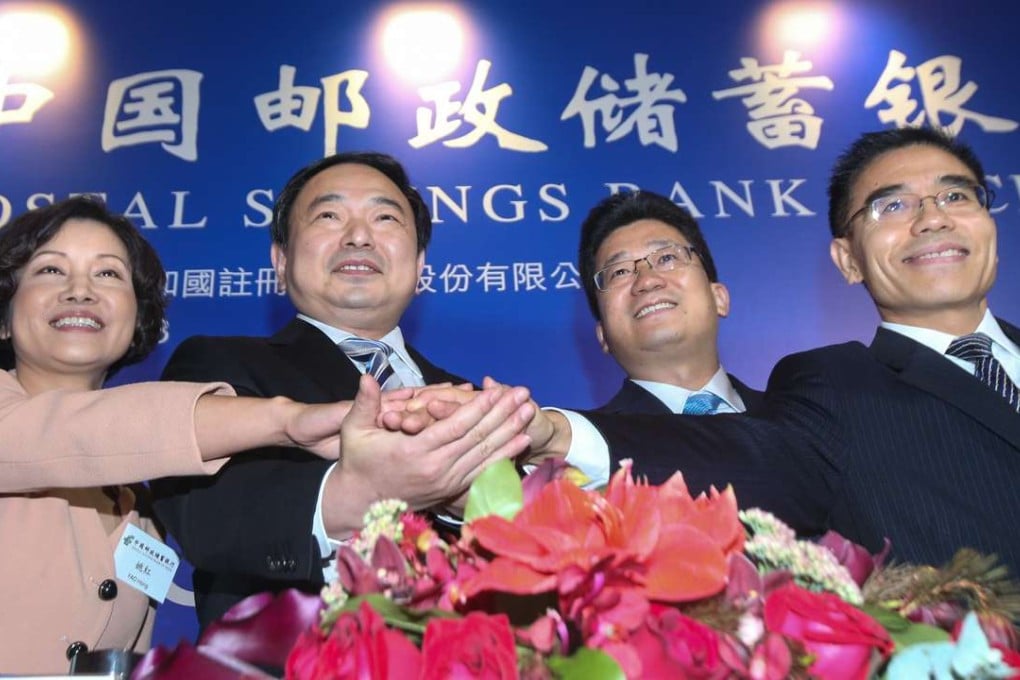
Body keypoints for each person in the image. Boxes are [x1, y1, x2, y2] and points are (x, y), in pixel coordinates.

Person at [0, 196, 490, 674]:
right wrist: (288, 421)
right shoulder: (162, 432)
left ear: (138, 318)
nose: (81, 291)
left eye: (108, 273)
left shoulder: (139, 492)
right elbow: (57, 434)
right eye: (50, 270)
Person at [523, 126, 1020, 574]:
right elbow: (753, 462)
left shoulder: (786, 409)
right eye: (893, 205)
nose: (933, 218)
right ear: (848, 260)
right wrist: (555, 438)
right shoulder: (830, 394)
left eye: (955, 195)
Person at [150, 151, 533, 629]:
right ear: (281, 260)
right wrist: (358, 493)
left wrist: (465, 505)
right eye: (329, 216)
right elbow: (207, 516)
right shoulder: (219, 365)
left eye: (385, 217)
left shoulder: (472, 404)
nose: (358, 236)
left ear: (419, 266)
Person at [577, 190, 762, 415]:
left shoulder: (804, 424)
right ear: (602, 335)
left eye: (666, 258)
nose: (647, 281)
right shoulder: (582, 445)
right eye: (620, 271)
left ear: (719, 298)